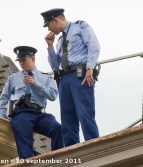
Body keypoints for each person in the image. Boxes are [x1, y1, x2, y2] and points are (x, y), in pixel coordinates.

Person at [41, 8, 100, 147]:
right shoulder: (60, 41)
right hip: (64, 80)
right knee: (67, 119)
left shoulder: (80, 26)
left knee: (85, 114)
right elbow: (56, 65)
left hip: (80, 76)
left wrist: (90, 67)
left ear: (55, 20)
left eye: (48, 24)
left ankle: (94, 148)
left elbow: (94, 46)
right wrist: (50, 46)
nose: (48, 28)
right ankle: (71, 151)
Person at [0, 46, 64, 159]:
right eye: (19, 61)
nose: (21, 63)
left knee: (57, 128)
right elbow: (3, 98)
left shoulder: (45, 77)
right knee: (24, 137)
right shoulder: (14, 78)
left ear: (33, 58)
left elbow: (53, 95)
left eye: (24, 60)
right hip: (21, 113)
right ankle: (28, 163)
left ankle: (59, 160)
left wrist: (35, 84)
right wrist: (2, 119)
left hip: (39, 114)